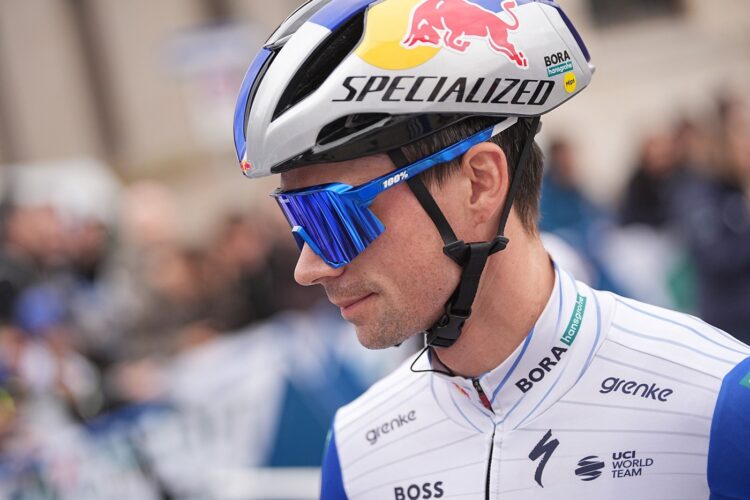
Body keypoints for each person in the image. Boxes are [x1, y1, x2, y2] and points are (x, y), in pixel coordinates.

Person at [232, 1, 750, 498]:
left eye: (330, 216)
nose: (308, 268)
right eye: (296, 223)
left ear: (479, 183)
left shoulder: (718, 402)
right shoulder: (355, 452)